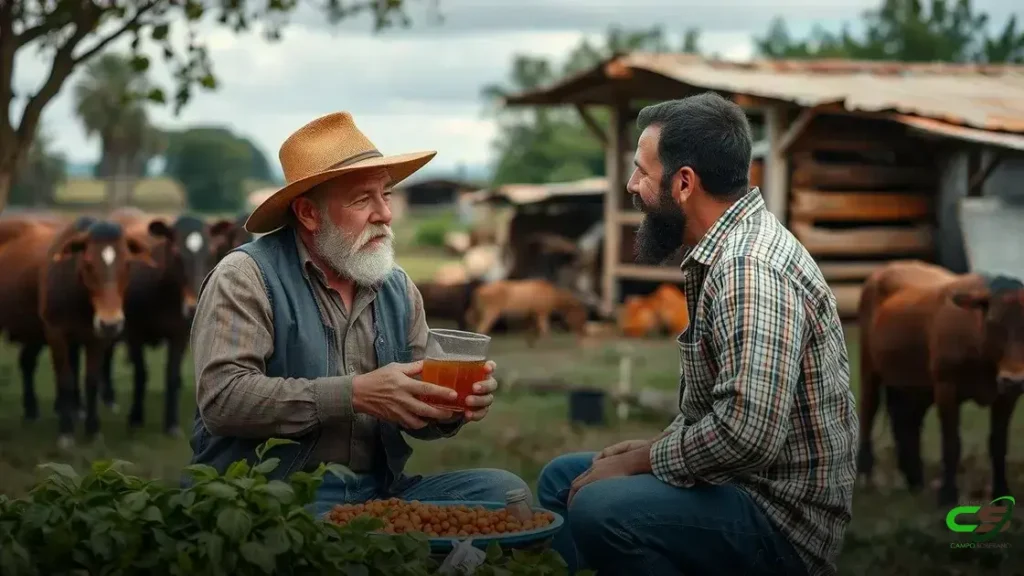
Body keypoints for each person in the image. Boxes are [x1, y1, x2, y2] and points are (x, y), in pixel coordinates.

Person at [537, 92, 859, 576]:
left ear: (684, 182)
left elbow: (748, 436)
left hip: (778, 522)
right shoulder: (727, 250)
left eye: (642, 173)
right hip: (739, 485)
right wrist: (649, 452)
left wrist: (644, 459)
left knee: (599, 508)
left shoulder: (748, 268)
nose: (631, 185)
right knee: (563, 479)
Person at [187, 111, 530, 513]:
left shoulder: (396, 286)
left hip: (379, 492)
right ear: (309, 214)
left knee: (504, 494)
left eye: (386, 195)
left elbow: (415, 406)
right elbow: (223, 400)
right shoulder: (245, 276)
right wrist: (353, 395)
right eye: (362, 199)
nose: (384, 214)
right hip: (273, 496)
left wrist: (447, 408)